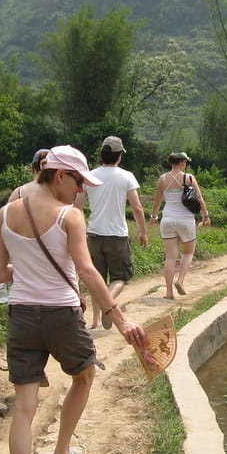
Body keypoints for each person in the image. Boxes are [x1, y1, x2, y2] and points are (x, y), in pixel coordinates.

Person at [0, 145, 147, 454]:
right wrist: (120, 320)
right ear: (59, 175)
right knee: (85, 374)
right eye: (79, 182)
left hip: (22, 316)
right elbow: (89, 272)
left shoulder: (5, 214)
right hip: (61, 314)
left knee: (24, 409)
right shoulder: (70, 217)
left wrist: (26, 267)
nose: (81, 191)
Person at [84, 136, 148, 330]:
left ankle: (95, 321)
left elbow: (76, 205)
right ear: (119, 156)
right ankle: (108, 304)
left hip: (93, 234)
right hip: (117, 235)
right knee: (121, 277)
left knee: (97, 279)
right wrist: (143, 232)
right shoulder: (126, 176)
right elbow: (136, 207)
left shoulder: (90, 176)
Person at [150, 151, 210, 298]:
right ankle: (181, 281)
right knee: (188, 253)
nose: (186, 165)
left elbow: (157, 201)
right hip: (185, 220)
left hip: (168, 219)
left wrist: (154, 216)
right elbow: (200, 199)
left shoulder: (162, 179)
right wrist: (205, 216)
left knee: (170, 257)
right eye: (186, 163)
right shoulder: (188, 178)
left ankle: (169, 292)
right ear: (182, 163)